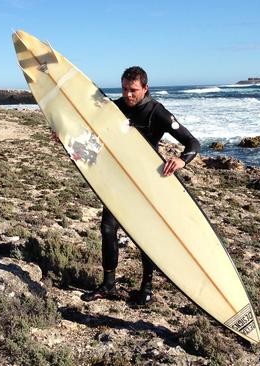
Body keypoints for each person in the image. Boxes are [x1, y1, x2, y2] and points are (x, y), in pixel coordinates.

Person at [81, 66, 201, 306]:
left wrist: (181, 160)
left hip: (147, 183)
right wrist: (61, 135)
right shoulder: (114, 108)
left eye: (133, 90)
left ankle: (146, 287)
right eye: (124, 89)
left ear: (145, 88)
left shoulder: (158, 113)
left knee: (145, 235)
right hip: (119, 178)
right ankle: (108, 284)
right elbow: (87, 128)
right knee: (107, 229)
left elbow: (192, 142)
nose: (127, 95)